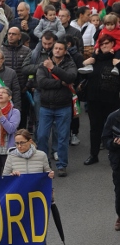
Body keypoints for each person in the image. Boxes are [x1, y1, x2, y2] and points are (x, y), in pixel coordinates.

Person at [2, 129, 55, 245]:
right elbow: (4, 178)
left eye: (22, 143)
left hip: (37, 204)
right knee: (24, 236)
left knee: (39, 237)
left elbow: (47, 173)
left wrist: (50, 174)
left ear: (30, 141)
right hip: (20, 205)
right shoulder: (11, 157)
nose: (19, 146)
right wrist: (12, 177)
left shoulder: (41, 156)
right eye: (17, 143)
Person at [36, 39, 77, 177]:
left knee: (62, 137)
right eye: (55, 48)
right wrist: (61, 83)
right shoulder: (44, 63)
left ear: (65, 51)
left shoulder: (70, 63)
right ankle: (44, 165)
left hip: (63, 107)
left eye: (60, 49)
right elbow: (41, 82)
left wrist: (53, 69)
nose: (57, 50)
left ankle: (62, 165)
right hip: (46, 106)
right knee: (41, 136)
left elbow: (71, 77)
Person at [80, 34, 120, 165]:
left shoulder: (117, 59)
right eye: (102, 44)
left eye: (107, 43)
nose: (104, 46)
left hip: (112, 101)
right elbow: (84, 75)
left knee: (114, 129)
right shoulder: (94, 60)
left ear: (113, 44)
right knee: (95, 128)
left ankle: (115, 154)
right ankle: (93, 154)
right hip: (94, 100)